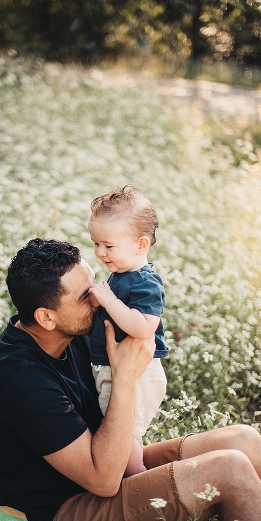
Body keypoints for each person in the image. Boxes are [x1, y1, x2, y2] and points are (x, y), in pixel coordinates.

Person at [0, 238, 261, 521]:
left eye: (95, 284)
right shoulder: (18, 380)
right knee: (228, 470)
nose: (97, 298)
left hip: (109, 465)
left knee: (242, 440)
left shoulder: (73, 328)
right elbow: (104, 481)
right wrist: (125, 380)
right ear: (46, 318)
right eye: (84, 296)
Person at [87, 185, 168, 477]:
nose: (100, 253)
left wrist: (108, 300)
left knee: (125, 433)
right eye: (96, 244)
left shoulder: (145, 281)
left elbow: (144, 327)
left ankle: (140, 478)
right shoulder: (121, 274)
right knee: (124, 430)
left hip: (137, 371)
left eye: (108, 246)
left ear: (140, 245)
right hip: (115, 367)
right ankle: (139, 472)